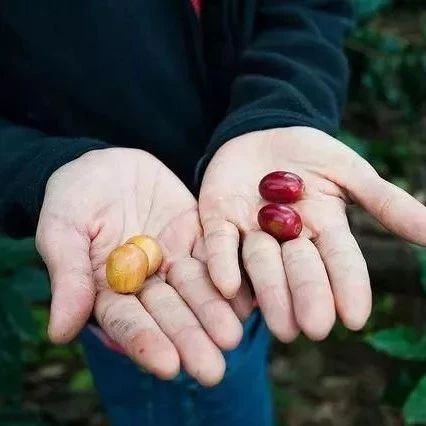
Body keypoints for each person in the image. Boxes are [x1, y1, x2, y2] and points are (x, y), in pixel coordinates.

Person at [1, 1, 426, 425]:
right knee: (190, 396)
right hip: (148, 270)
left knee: (240, 359)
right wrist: (42, 166)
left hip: (240, 255)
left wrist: (278, 107)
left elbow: (309, 10)